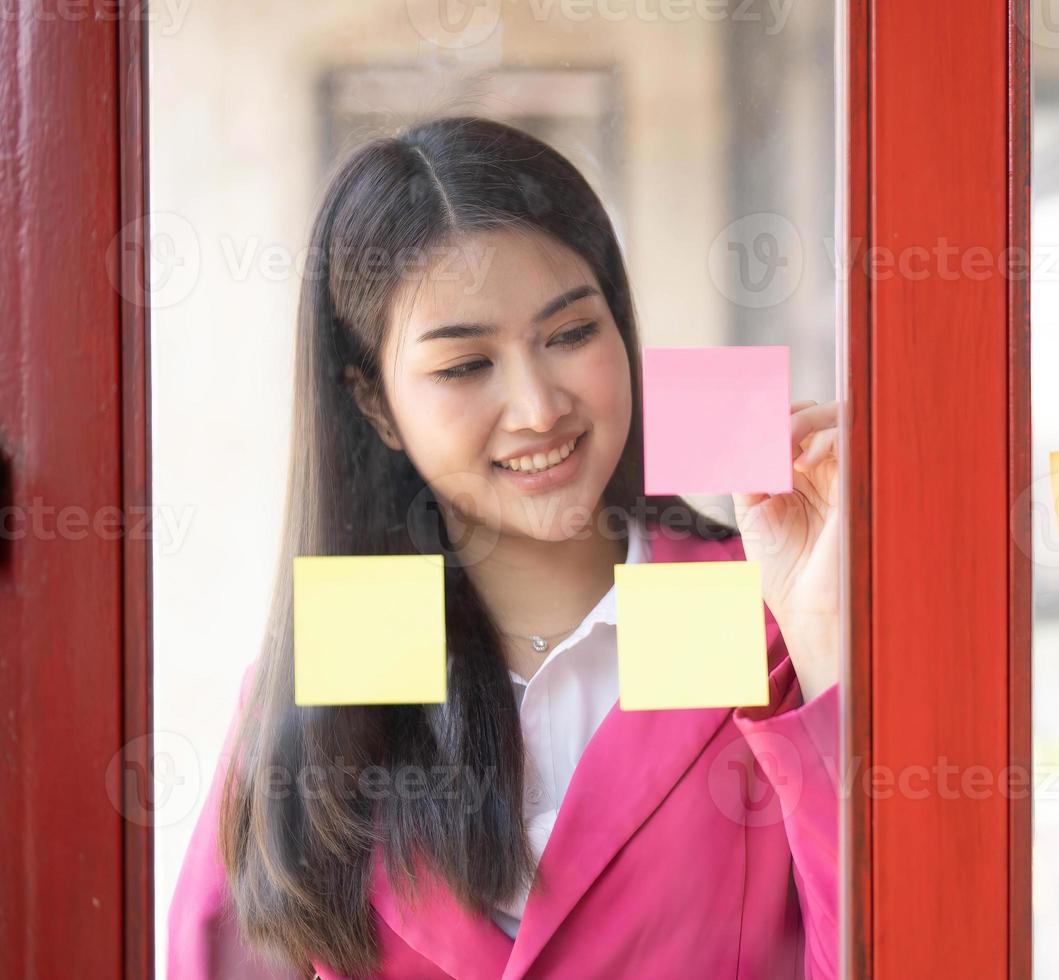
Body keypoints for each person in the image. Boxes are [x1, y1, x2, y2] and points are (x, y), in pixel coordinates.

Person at [167, 116, 841, 979]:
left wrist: (822, 641)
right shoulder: (337, 662)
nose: (537, 408)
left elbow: (890, 945)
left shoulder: (751, 621)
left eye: (570, 335)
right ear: (374, 404)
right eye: (463, 367)